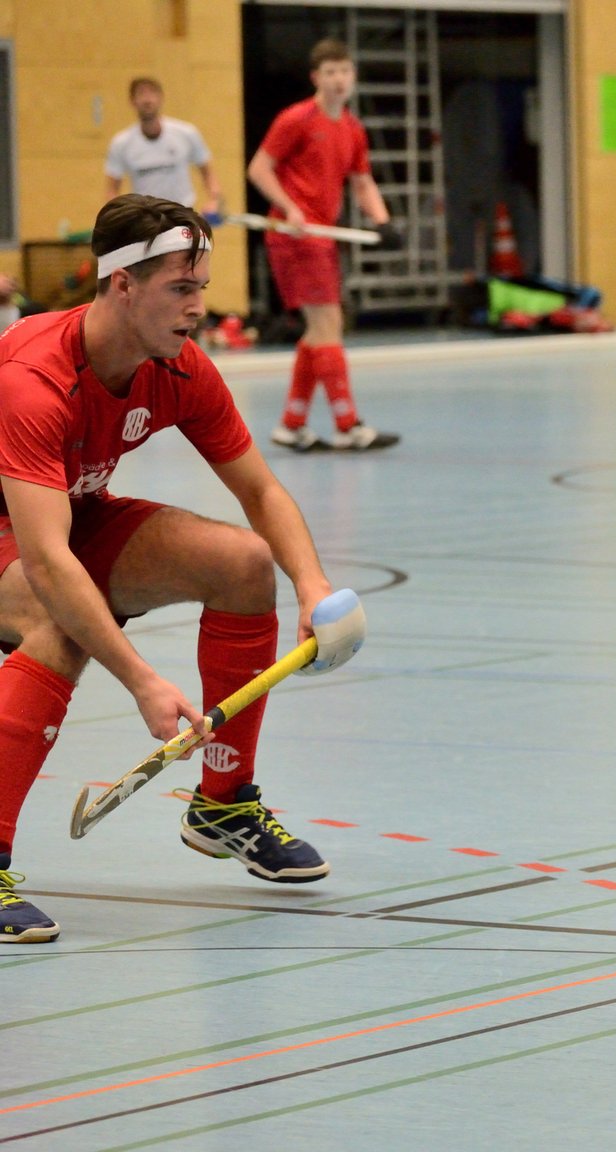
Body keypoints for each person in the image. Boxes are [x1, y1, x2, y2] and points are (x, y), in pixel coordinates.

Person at [0, 196, 337, 944]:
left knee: (244, 563)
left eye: (201, 288)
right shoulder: (33, 378)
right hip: (19, 530)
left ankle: (223, 803)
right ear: (122, 285)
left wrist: (313, 587)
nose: (199, 308)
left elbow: (260, 491)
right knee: (59, 625)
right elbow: (48, 562)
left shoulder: (177, 366)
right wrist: (142, 679)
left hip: (70, 510)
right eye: (181, 289)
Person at [246, 38, 401, 453]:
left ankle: (292, 424)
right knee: (328, 324)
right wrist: (290, 208)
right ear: (316, 77)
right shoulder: (296, 119)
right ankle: (348, 425)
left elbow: (363, 183)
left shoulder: (352, 128)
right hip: (296, 237)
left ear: (353, 76)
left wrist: (383, 221)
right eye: (330, 72)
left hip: (324, 237)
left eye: (345, 71)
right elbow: (259, 169)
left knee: (320, 330)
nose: (339, 80)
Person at [103, 78, 224, 219]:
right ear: (132, 101)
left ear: (161, 98)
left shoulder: (186, 133)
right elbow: (112, 190)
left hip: (182, 214)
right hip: (146, 219)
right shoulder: (121, 143)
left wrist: (214, 200)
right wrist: (117, 215)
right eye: (141, 94)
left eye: (152, 93)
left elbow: (208, 173)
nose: (147, 100)